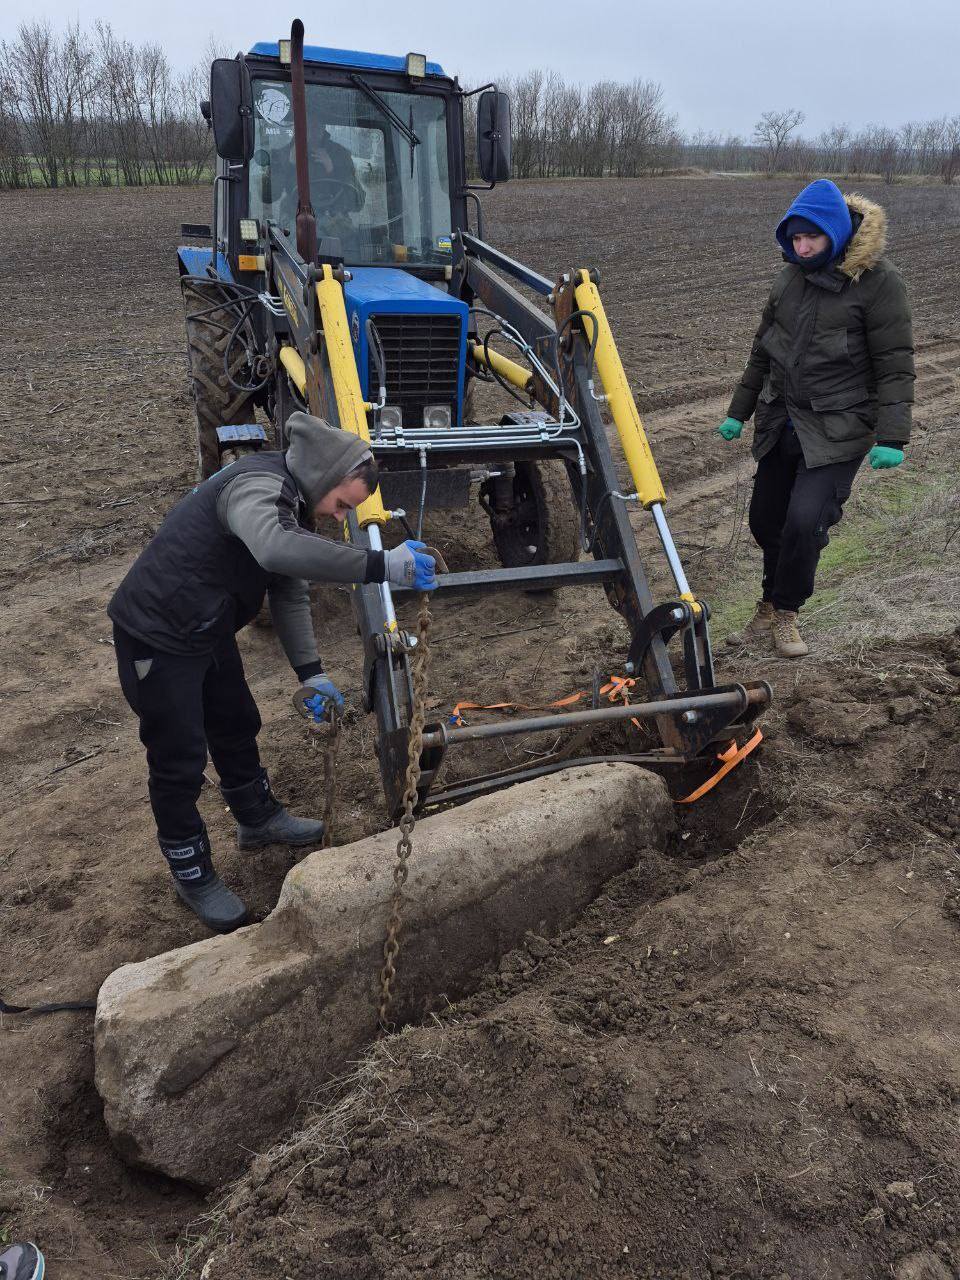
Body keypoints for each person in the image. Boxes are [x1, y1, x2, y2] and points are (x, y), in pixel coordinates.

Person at [108, 413, 437, 933]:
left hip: (206, 629)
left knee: (236, 722)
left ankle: (257, 819)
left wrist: (312, 673)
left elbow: (288, 588)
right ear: (323, 477)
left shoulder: (294, 503)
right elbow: (275, 549)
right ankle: (191, 871)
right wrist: (378, 566)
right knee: (178, 759)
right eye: (342, 504)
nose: (339, 516)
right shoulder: (257, 486)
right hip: (159, 636)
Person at [718, 178, 914, 658]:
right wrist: (739, 412)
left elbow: (894, 363)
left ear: (837, 233)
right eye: (795, 238)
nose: (802, 248)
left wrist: (893, 438)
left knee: (805, 522)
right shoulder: (789, 278)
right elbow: (763, 350)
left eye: (812, 238)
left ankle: (786, 611)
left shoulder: (879, 283)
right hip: (781, 420)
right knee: (766, 521)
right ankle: (768, 604)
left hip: (839, 426)